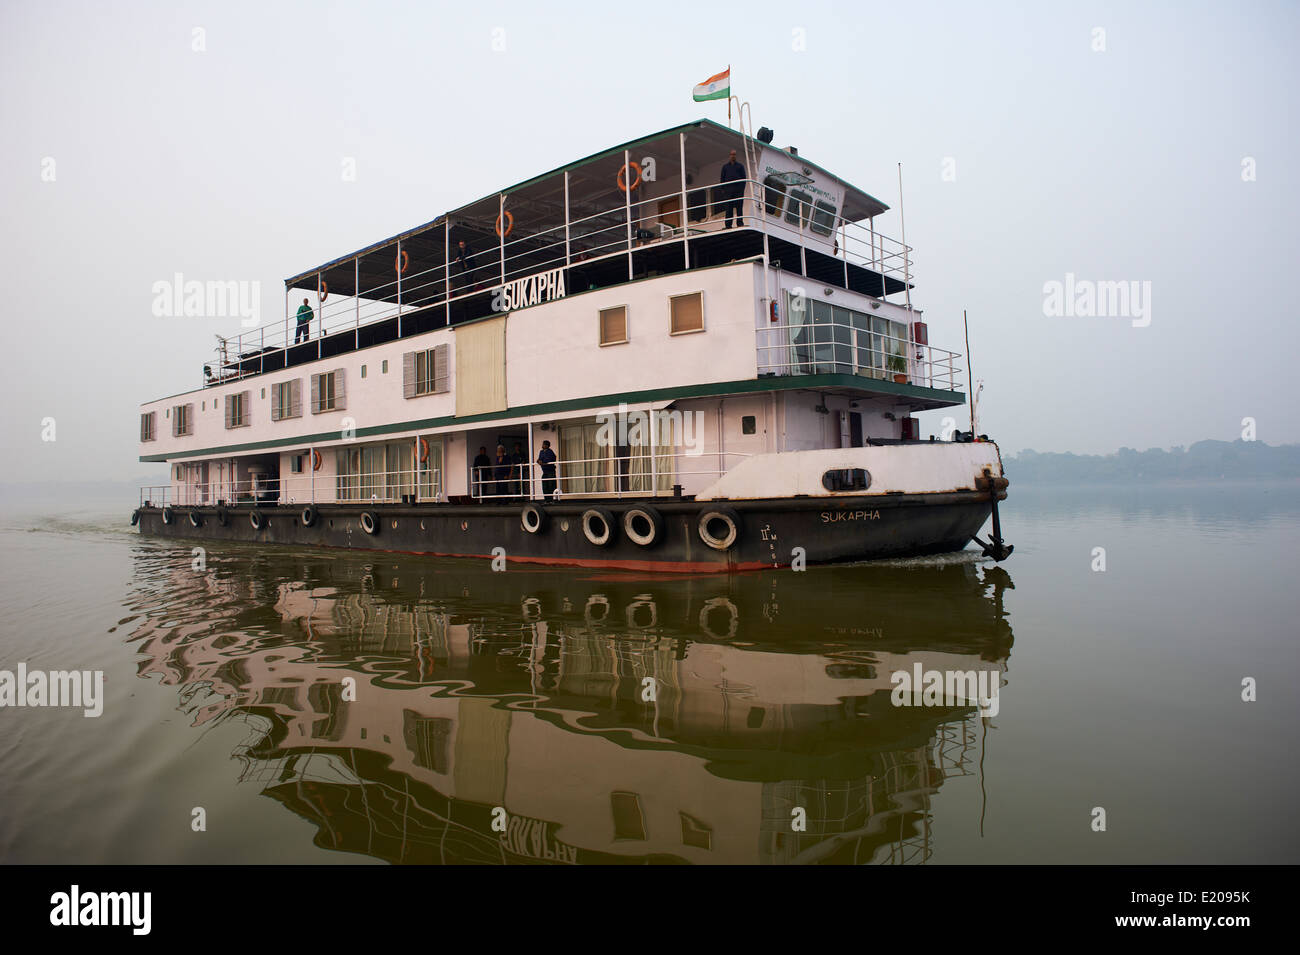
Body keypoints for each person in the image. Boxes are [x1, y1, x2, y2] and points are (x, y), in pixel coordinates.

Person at [719, 149, 746, 228]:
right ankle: (728, 225)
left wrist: (741, 189)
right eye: (732, 154)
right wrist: (723, 190)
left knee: (739, 207)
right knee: (728, 208)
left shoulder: (740, 166)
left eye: (734, 154)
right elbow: (722, 179)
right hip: (728, 191)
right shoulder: (725, 167)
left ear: (736, 156)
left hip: (738, 190)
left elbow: (744, 179)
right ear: (729, 156)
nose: (733, 156)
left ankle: (740, 223)